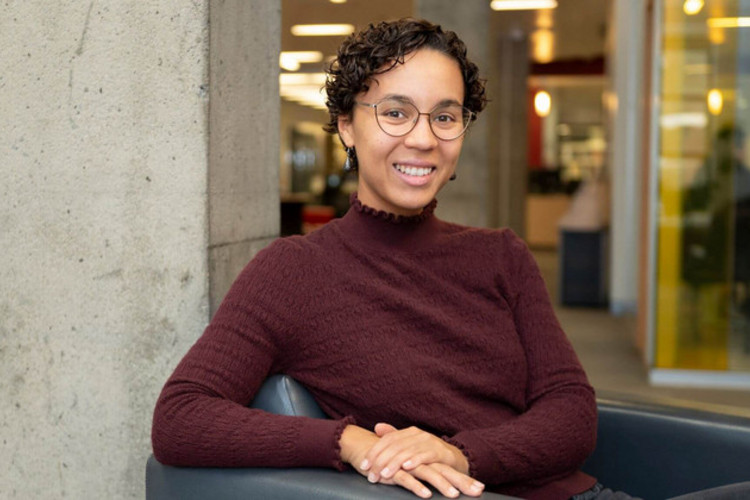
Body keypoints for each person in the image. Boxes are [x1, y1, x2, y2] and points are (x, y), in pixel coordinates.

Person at [151, 18, 749, 500]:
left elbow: (572, 414)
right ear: (346, 127)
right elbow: (181, 418)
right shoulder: (294, 271)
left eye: (445, 116)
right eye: (395, 112)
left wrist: (460, 453)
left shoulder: (502, 257)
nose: (423, 138)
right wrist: (349, 443)